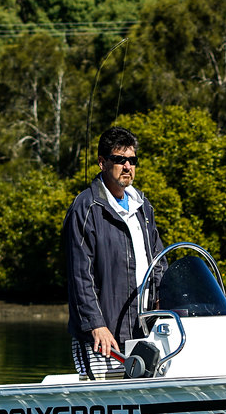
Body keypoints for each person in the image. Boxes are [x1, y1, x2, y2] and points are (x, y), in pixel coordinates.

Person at [64, 125, 164, 378]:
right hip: (103, 334)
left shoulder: (143, 206)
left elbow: (158, 261)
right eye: (119, 160)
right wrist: (96, 325)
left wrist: (164, 301)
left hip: (144, 328)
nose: (127, 166)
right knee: (109, 401)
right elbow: (80, 276)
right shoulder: (85, 207)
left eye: (132, 160)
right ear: (102, 162)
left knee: (141, 398)